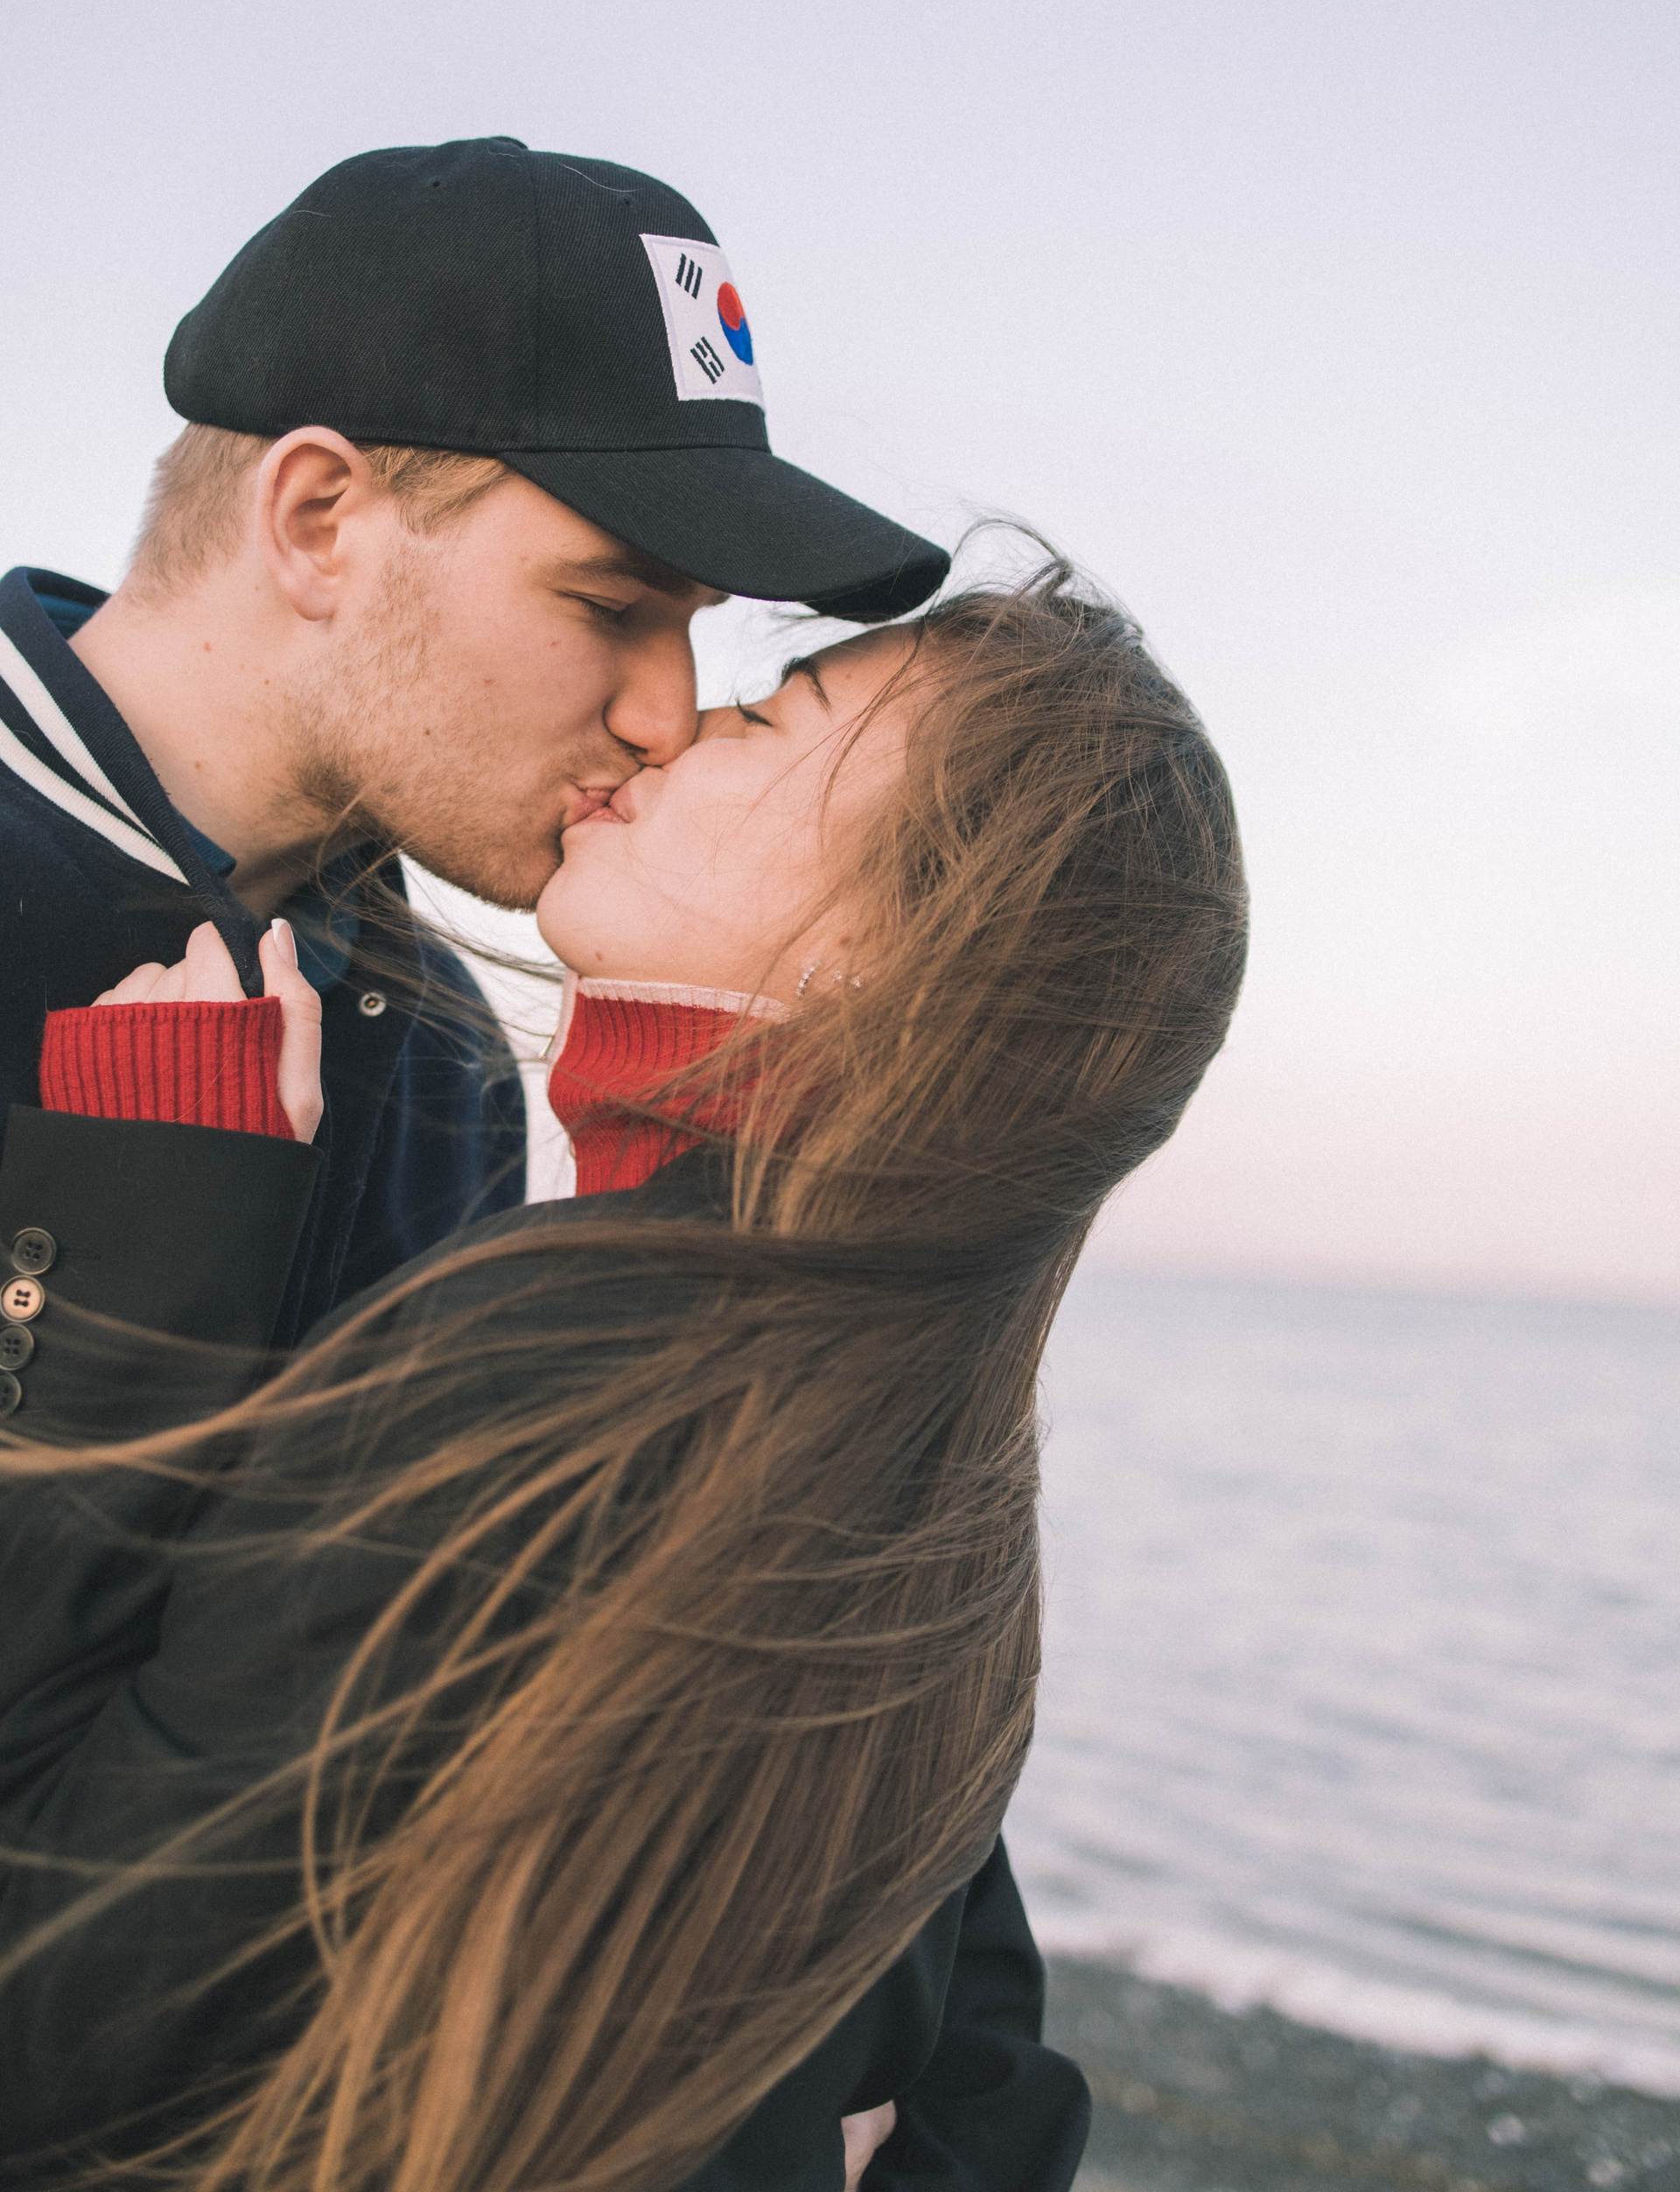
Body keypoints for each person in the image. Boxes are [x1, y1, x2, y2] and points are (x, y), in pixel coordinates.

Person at [0, 555, 1247, 2190]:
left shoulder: (565, 1357)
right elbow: (988, 2093)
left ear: (895, 943)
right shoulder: (926, 1468)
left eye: (769, 716)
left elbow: (58, 2021)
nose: (675, 726)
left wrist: (157, 1229)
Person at [0, 135, 949, 1344]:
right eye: (607, 605)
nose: (668, 718)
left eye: (691, 625)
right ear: (319, 521)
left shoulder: (447, 1059)